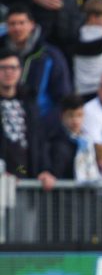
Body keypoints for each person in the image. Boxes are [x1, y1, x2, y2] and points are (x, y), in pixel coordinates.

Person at [3, 4, 72, 122]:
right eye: (12, 24)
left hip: (41, 119)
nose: (17, 28)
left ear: (32, 24)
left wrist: (47, 123)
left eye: (21, 23)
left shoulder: (50, 55)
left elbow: (62, 95)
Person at [0, 49, 56, 189]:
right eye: (3, 68)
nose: (8, 72)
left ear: (20, 71)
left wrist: (45, 170)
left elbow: (39, 140)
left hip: (24, 172)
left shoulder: (30, 103)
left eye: (13, 68)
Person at [47, 94, 100, 181]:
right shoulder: (55, 141)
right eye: (70, 115)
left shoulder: (88, 140)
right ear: (62, 116)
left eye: (79, 115)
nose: (75, 120)